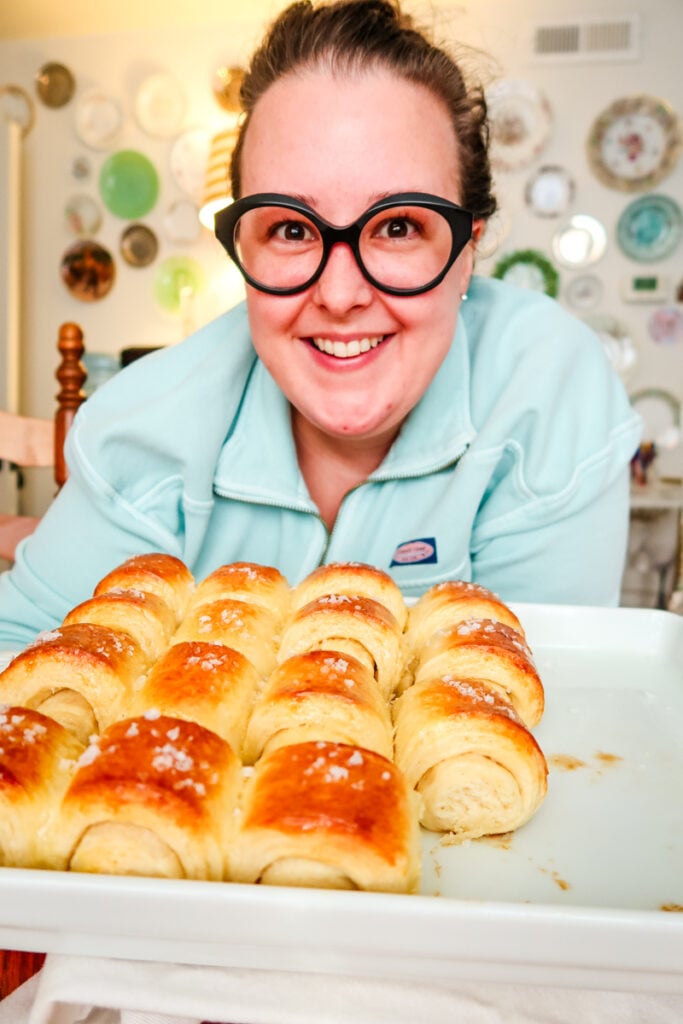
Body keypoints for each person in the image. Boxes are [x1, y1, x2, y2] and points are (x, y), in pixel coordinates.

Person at [0, 0, 640, 652]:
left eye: (397, 226)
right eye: (290, 229)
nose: (338, 294)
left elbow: (550, 706)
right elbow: (20, 657)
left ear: (465, 251)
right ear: (245, 251)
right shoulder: (137, 431)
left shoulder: (551, 394)